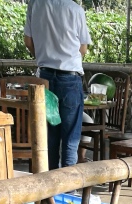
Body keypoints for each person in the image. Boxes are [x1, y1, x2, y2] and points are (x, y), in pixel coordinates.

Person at [23, 0, 91, 169]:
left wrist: (43, 56)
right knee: (70, 137)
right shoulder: (75, 9)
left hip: (44, 78)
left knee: (49, 136)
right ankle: (68, 183)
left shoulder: (35, 5)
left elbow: (28, 41)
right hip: (70, 79)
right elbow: (83, 49)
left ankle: (50, 183)